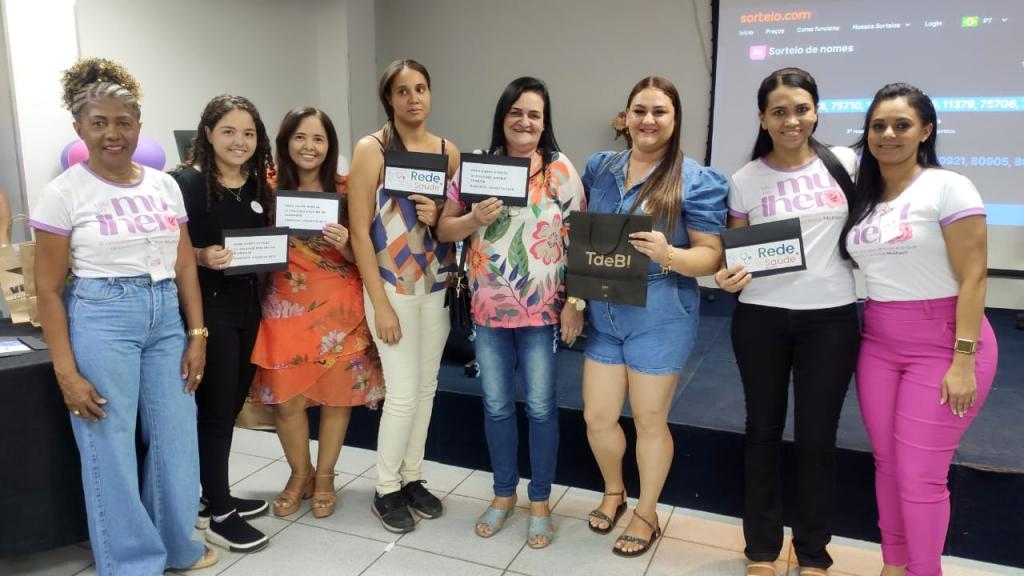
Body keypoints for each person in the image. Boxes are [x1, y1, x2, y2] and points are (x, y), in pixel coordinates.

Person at [31, 57, 216, 574]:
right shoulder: (63, 193)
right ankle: (132, 563)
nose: (112, 133)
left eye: (123, 122)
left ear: (139, 126)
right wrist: (66, 373)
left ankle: (176, 546)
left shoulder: (164, 185)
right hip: (103, 316)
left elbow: (185, 264)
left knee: (176, 438)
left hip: (166, 317)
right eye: (99, 123)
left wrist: (197, 334)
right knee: (108, 444)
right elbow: (47, 289)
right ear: (79, 128)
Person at [843, 83, 998, 576]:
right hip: (879, 340)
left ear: (926, 131)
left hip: (945, 342)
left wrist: (963, 360)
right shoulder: (865, 196)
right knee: (887, 464)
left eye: (902, 125)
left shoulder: (948, 186)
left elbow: (974, 276)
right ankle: (894, 565)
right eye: (878, 125)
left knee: (920, 475)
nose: (888, 134)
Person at [714, 68, 860, 576]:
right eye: (779, 111)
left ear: (816, 111)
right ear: (763, 118)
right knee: (762, 432)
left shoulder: (845, 164)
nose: (791, 120)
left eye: (801, 109)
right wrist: (726, 276)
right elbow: (732, 253)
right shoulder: (745, 179)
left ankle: (814, 553)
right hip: (761, 319)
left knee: (817, 438)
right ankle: (761, 551)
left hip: (831, 320)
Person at [581, 76, 728, 557]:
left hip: (660, 314)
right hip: (604, 312)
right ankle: (614, 491)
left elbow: (710, 257)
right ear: (625, 117)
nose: (648, 120)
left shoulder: (696, 179)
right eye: (639, 110)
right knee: (598, 417)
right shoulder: (600, 167)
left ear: (675, 119)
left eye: (660, 111)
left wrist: (669, 254)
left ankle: (646, 512)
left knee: (648, 420)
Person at [436, 77, 586, 548]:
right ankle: (504, 494)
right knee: (497, 407)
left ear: (545, 122)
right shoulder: (478, 166)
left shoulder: (559, 169)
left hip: (543, 315)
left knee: (541, 408)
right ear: (502, 116)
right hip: (489, 313)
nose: (525, 122)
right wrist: (472, 219)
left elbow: (582, 238)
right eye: (516, 112)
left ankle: (539, 500)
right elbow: (444, 229)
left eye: (534, 114)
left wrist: (575, 303)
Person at [250, 107, 384, 520]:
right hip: (283, 306)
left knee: (336, 397)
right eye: (300, 137)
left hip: (338, 309)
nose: (309, 146)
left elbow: (366, 252)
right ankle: (299, 473)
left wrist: (346, 243)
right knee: (286, 400)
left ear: (330, 146)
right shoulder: (265, 187)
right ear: (285, 142)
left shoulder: (346, 189)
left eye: (318, 139)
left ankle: (325, 476)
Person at [348, 59, 460, 533]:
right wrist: (380, 304)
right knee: (401, 395)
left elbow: (452, 221)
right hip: (392, 288)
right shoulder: (372, 149)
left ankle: (412, 477)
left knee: (427, 390)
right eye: (402, 91)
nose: (414, 98)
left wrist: (439, 214)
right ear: (388, 99)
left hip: (436, 285)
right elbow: (359, 231)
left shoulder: (447, 151)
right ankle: (386, 487)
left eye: (421, 89)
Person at [170, 95, 273, 553]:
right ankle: (219, 516)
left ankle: (214, 495)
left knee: (230, 405)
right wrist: (199, 255)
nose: (239, 141)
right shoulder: (185, 183)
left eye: (248, 133)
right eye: (228, 131)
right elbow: (163, 247)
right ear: (208, 133)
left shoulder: (256, 185)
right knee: (214, 411)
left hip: (248, 305)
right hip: (208, 308)